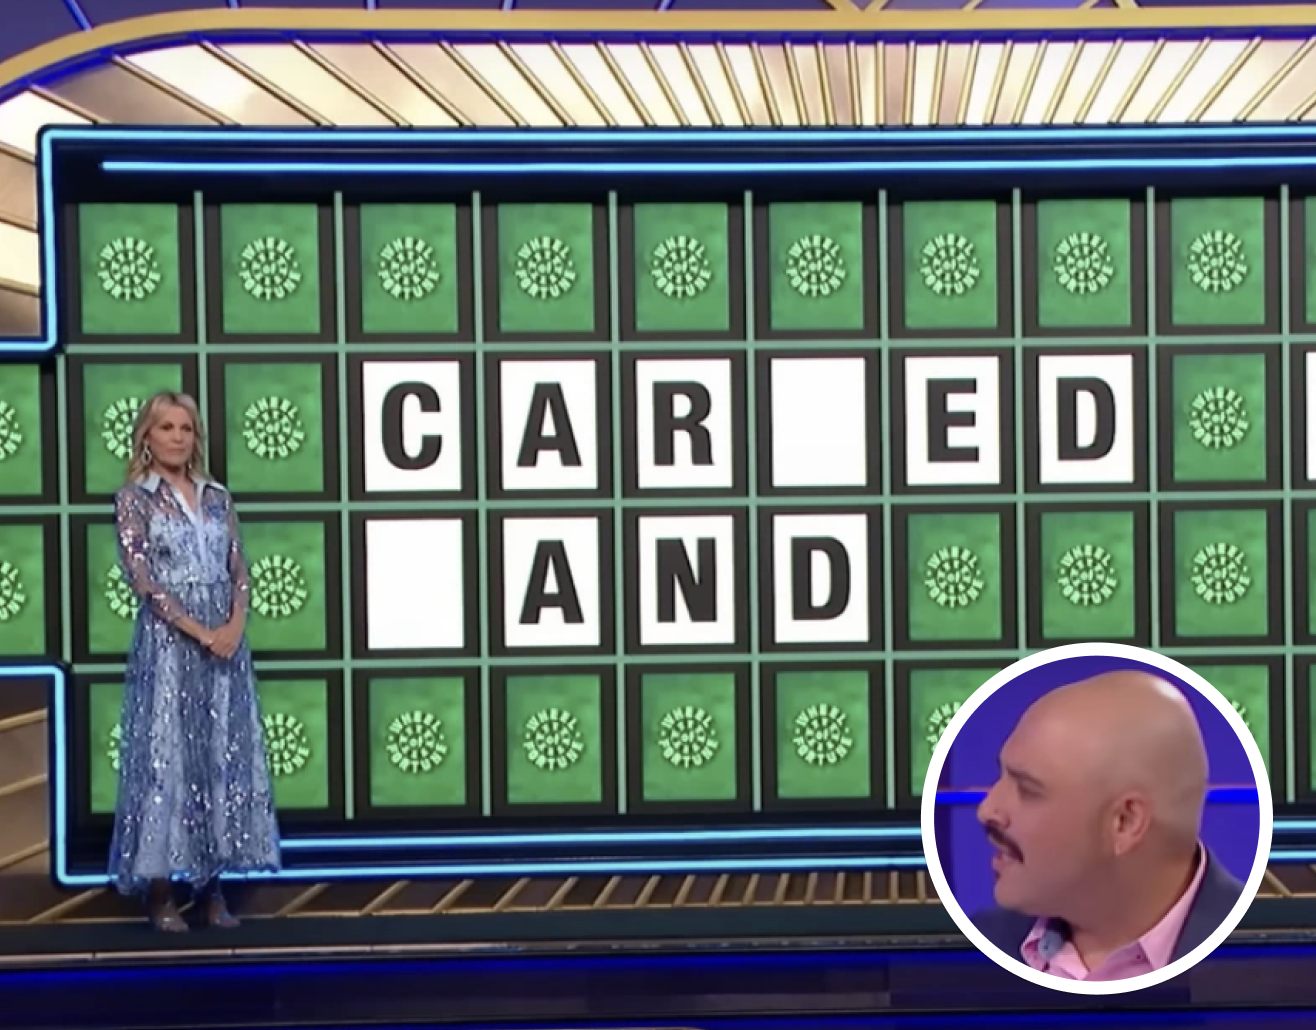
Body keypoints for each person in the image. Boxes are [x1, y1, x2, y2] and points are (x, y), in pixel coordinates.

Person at [109, 390, 281, 932]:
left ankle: (211, 889)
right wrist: (199, 631)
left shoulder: (216, 497)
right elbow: (143, 580)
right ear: (147, 436)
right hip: (169, 644)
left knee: (218, 755)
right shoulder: (135, 499)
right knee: (168, 760)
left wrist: (233, 626)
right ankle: (161, 892)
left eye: (186, 428)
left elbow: (239, 569)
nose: (178, 437)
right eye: (167, 428)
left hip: (225, 647)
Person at [972, 668, 1245, 981]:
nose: (986, 810)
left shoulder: (1268, 962)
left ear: (1125, 823)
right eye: (1001, 777)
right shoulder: (974, 953)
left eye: (1027, 789)